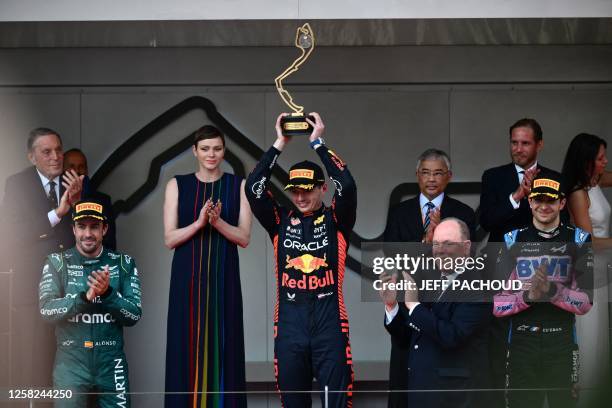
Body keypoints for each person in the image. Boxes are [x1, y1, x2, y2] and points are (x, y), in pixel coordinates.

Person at [245, 112, 357, 408]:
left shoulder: (337, 219)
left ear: (322, 188)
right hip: (290, 326)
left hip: (330, 325)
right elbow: (253, 187)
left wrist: (318, 143)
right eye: (295, 191)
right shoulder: (279, 220)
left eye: (307, 190)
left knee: (337, 404)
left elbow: (347, 185)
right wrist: (280, 142)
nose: (301, 197)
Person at [163, 125, 252, 407]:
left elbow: (244, 237)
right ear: (195, 151)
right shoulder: (177, 184)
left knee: (225, 348)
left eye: (217, 148)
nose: (211, 154)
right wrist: (200, 223)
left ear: (224, 151)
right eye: (205, 149)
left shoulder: (239, 185)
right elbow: (169, 238)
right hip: (186, 280)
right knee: (185, 350)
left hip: (223, 279)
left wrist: (218, 222)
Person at [383, 148, 476, 408]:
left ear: (449, 176)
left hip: (448, 307)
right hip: (409, 302)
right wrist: (424, 243)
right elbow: (390, 254)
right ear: (417, 176)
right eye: (426, 172)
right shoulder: (400, 212)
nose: (431, 178)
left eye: (438, 173)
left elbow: (471, 261)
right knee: (404, 380)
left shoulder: (463, 212)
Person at [478, 118, 561, 406]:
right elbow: (487, 221)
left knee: (540, 335)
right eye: (514, 142)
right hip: (503, 270)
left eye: (525, 143)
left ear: (539, 144)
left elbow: (563, 228)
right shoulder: (494, 177)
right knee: (501, 338)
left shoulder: (554, 178)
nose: (518, 148)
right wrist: (517, 196)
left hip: (542, 271)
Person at [493, 172, 593, 408]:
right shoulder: (511, 240)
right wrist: (528, 296)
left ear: (562, 202)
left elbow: (586, 303)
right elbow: (497, 306)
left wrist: (553, 292)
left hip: (562, 341)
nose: (544, 206)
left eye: (550, 200)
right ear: (529, 202)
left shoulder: (579, 240)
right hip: (521, 341)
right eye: (538, 200)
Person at [38, 199, 142, 407]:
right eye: (82, 226)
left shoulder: (123, 263)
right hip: (70, 363)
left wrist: (108, 294)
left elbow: (134, 314)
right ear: (73, 229)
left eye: (94, 227)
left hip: (112, 362)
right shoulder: (57, 262)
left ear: (104, 229)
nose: (87, 234)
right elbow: (46, 310)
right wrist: (85, 298)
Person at [0, 127, 82, 387]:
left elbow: (93, 235)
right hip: (32, 288)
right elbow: (14, 234)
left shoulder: (75, 181)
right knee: (33, 363)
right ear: (31, 157)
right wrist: (57, 213)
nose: (56, 156)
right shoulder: (17, 184)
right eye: (46, 152)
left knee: (72, 363)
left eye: (58, 150)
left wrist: (78, 204)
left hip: (72, 289)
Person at [381, 218, 491, 408]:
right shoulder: (429, 280)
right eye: (436, 244)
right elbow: (408, 337)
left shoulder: (478, 285)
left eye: (448, 244)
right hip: (421, 392)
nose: (440, 250)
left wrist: (414, 306)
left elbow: (451, 336)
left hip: (454, 397)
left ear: (466, 247)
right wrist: (392, 306)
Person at [561, 133, 611, 400]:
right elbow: (587, 241)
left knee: (601, 343)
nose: (605, 162)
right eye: (600, 158)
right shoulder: (578, 193)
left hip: (602, 272)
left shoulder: (595, 180)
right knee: (589, 343)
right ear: (587, 161)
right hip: (586, 273)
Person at [63, 148, 117, 250]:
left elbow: (110, 243)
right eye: (71, 167)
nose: (77, 171)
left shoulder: (103, 200)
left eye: (81, 167)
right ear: (63, 169)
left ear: (87, 170)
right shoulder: (56, 200)